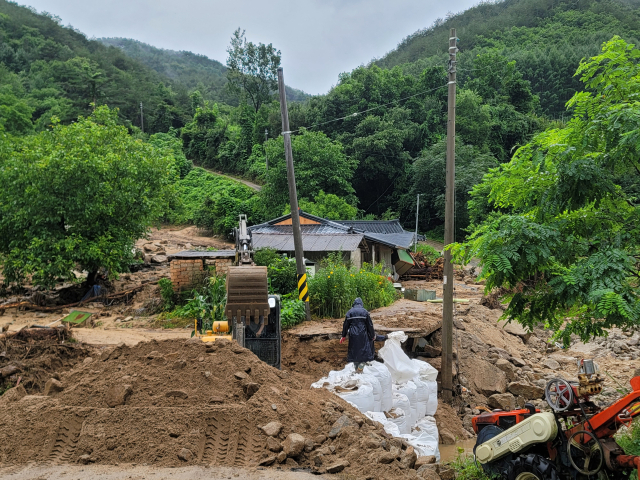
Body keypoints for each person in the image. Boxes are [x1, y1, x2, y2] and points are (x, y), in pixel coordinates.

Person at [340, 297, 376, 373]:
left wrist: (343, 336)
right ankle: (361, 366)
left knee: (354, 352)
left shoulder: (350, 312)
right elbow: (370, 325)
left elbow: (345, 325)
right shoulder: (365, 312)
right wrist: (372, 335)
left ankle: (357, 369)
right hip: (363, 334)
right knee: (365, 352)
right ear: (361, 304)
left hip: (353, 335)